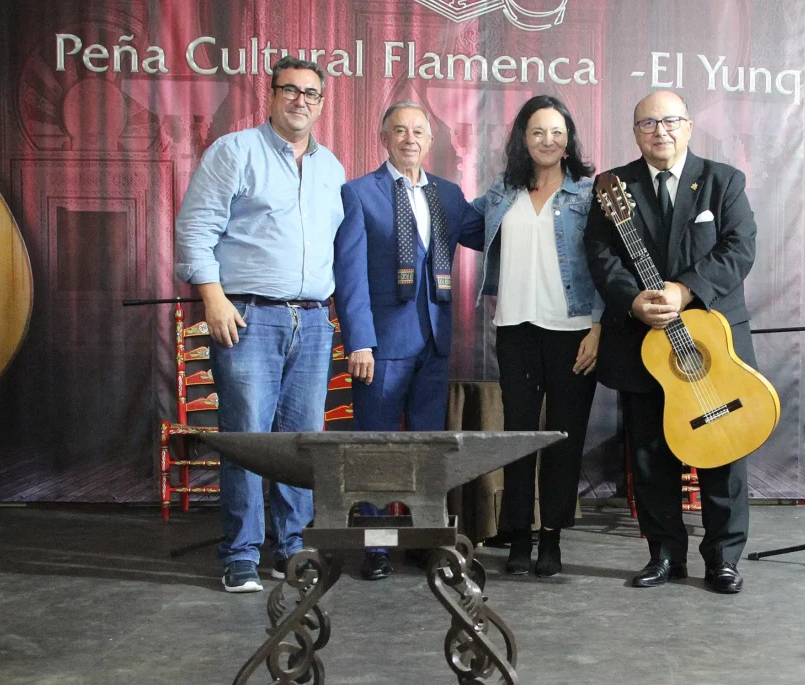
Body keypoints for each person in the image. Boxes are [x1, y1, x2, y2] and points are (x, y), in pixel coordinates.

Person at [175, 56, 345, 593]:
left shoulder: (331, 167)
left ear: (321, 103)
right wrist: (212, 298)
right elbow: (195, 227)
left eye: (310, 93)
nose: (300, 100)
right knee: (247, 439)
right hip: (247, 316)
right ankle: (241, 554)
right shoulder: (234, 152)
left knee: (301, 444)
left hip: (314, 320)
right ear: (270, 96)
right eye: (290, 90)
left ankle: (292, 549)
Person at [584, 90, 758, 594]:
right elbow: (599, 253)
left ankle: (723, 559)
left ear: (688, 126)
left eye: (670, 121)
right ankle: (664, 555)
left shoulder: (724, 181)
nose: (660, 131)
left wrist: (685, 290)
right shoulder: (613, 186)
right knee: (650, 455)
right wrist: (633, 301)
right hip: (643, 345)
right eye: (648, 123)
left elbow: (739, 248)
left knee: (723, 454)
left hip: (713, 347)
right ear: (634, 132)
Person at [333, 101, 484, 581]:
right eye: (400, 130)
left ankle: (422, 543)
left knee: (426, 450)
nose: (410, 138)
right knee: (376, 452)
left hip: (436, 345)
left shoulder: (449, 195)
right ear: (384, 137)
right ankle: (376, 546)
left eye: (419, 130)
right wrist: (359, 341)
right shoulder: (358, 193)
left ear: (429, 140)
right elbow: (351, 275)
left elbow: (490, 233)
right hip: (380, 349)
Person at [473, 95, 603, 577]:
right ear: (522, 140)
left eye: (556, 132)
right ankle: (519, 538)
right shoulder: (500, 194)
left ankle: (552, 538)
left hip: (572, 332)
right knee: (520, 437)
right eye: (537, 132)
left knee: (564, 441)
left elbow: (607, 267)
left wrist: (598, 326)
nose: (547, 140)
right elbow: (462, 224)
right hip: (516, 330)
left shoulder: (588, 196)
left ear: (568, 140)